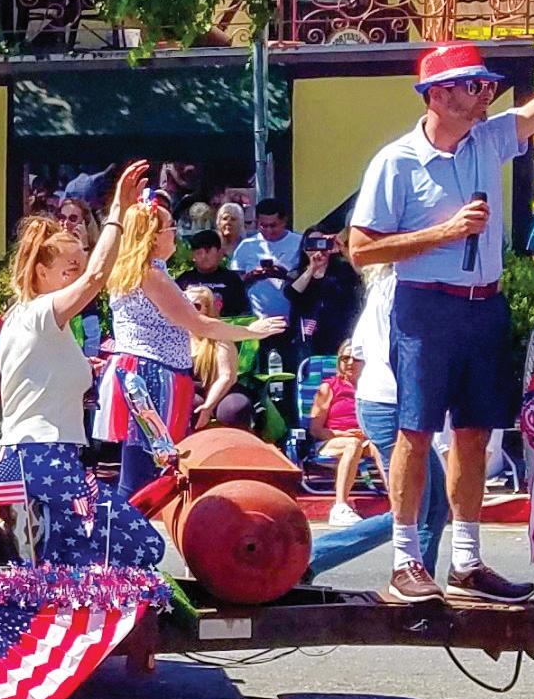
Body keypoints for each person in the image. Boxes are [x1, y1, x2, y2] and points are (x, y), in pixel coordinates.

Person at [348, 30, 534, 604]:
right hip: (426, 305)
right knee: (415, 431)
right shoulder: (396, 162)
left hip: (484, 305)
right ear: (438, 95)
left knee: (475, 433)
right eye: (474, 86)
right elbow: (361, 250)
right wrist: (444, 232)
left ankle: (466, 562)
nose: (486, 94)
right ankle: (405, 560)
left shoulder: (489, 139)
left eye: (487, 85)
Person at [0, 160, 161, 568]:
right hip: (41, 456)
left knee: (76, 557)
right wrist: (118, 213)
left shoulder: (38, 319)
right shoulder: (41, 311)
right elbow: (96, 278)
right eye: (69, 269)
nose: (78, 276)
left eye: (79, 265)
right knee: (141, 547)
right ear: (41, 271)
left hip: (46, 456)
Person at [99, 195, 286, 499]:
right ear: (153, 237)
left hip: (147, 371)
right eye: (170, 227)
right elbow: (199, 323)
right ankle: (122, 526)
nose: (176, 233)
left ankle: (128, 525)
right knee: (141, 470)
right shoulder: (150, 274)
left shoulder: (142, 271)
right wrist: (250, 331)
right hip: (149, 375)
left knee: (146, 464)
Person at [308, 264, 452, 579]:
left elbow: (359, 347)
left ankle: (420, 577)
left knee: (435, 504)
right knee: (412, 507)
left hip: (388, 402)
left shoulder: (385, 286)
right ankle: (312, 557)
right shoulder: (404, 286)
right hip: (391, 404)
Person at [308, 341, 387, 528]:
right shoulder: (328, 388)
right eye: (345, 358)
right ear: (339, 362)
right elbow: (315, 429)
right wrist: (341, 434)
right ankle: (340, 507)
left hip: (364, 440)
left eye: (356, 358)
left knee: (380, 445)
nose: (350, 362)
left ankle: (397, 499)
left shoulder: (372, 389)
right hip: (331, 441)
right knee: (352, 444)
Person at [185, 286, 259, 431]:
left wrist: (208, 406)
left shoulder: (221, 337)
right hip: (192, 390)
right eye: (185, 304)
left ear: (207, 310)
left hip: (222, 389)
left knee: (235, 408)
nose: (190, 310)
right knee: (189, 404)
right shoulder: (176, 336)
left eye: (196, 306)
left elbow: (227, 377)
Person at [287, 228, 361, 360]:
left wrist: (343, 249)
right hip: (309, 338)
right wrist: (312, 268)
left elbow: (362, 273)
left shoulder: (344, 270)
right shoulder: (297, 274)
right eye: (312, 244)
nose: (318, 249)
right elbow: (291, 293)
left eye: (322, 243)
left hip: (340, 334)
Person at [175, 231, 252, 318]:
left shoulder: (232, 280)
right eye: (199, 253)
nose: (204, 257)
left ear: (219, 252)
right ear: (193, 256)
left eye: (208, 251)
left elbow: (243, 312)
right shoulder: (184, 280)